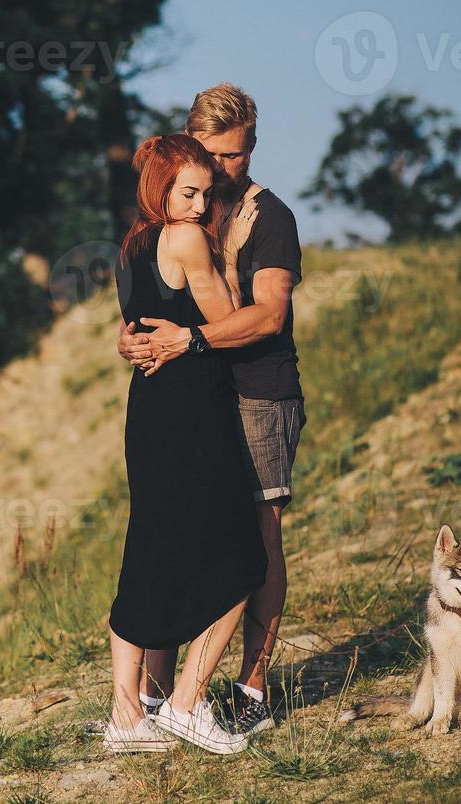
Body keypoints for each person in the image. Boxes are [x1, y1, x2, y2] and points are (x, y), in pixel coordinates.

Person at [118, 82, 305, 737]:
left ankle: (251, 686)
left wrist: (188, 337)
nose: (229, 168)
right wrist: (129, 338)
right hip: (199, 398)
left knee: (256, 541)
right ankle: (162, 694)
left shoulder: (267, 216)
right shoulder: (180, 212)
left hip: (258, 390)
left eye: (239, 154)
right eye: (215, 155)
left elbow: (268, 315)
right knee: (183, 535)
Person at [104, 133, 269, 756]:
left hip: (146, 410)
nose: (200, 206)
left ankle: (126, 716)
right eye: (189, 192)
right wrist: (230, 253)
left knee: (147, 549)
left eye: (206, 194)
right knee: (242, 560)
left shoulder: (133, 243)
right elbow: (229, 320)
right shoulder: (187, 239)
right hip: (193, 414)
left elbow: (131, 327)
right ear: (161, 188)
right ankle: (187, 703)